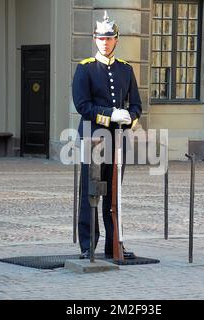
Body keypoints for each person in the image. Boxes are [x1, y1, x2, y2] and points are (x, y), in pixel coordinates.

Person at [72, 11, 142, 259]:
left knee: (114, 194)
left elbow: (136, 105)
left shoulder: (125, 69)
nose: (105, 42)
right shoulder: (85, 69)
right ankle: (87, 245)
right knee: (91, 191)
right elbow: (82, 106)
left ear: (116, 39)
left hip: (119, 140)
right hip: (93, 138)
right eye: (101, 38)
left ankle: (114, 245)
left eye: (109, 38)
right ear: (95, 39)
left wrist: (130, 119)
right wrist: (110, 115)